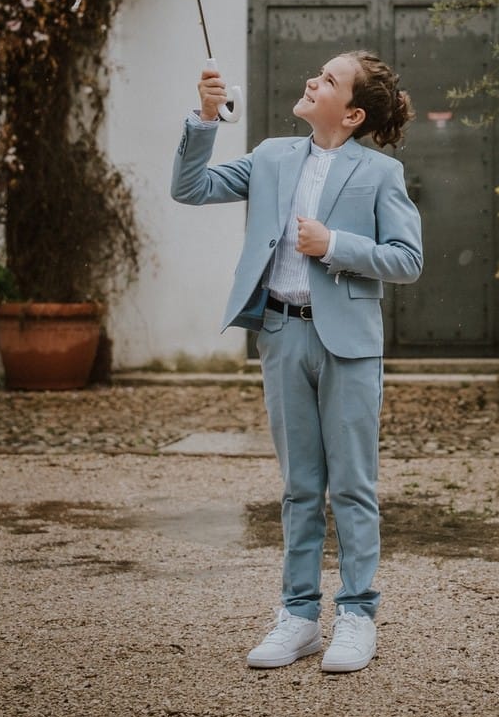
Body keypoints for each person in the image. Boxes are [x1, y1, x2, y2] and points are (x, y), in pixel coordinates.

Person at [171, 51, 423, 673]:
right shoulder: (269, 156)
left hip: (350, 346)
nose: (313, 80)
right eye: (318, 72)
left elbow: (408, 260)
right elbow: (190, 188)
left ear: (353, 112)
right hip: (282, 335)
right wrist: (205, 117)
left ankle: (358, 616)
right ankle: (300, 616)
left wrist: (335, 244)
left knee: (353, 486)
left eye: (330, 81)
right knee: (300, 488)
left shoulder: (380, 173)